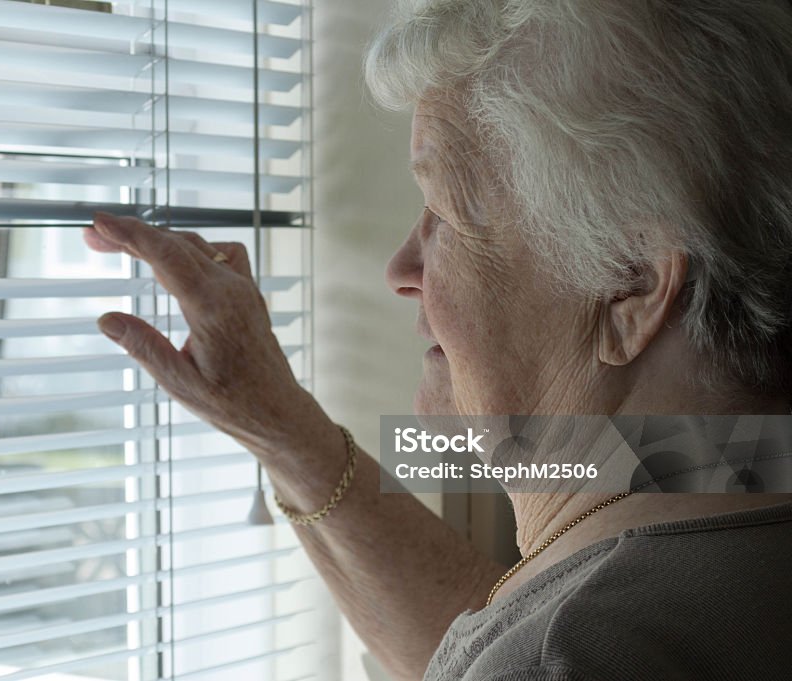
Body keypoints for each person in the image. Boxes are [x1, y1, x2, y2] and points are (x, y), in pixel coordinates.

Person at [84, 1, 792, 679]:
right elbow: (506, 629)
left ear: (632, 284)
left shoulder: (571, 654)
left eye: (445, 214)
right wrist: (281, 428)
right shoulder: (734, 492)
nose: (400, 270)